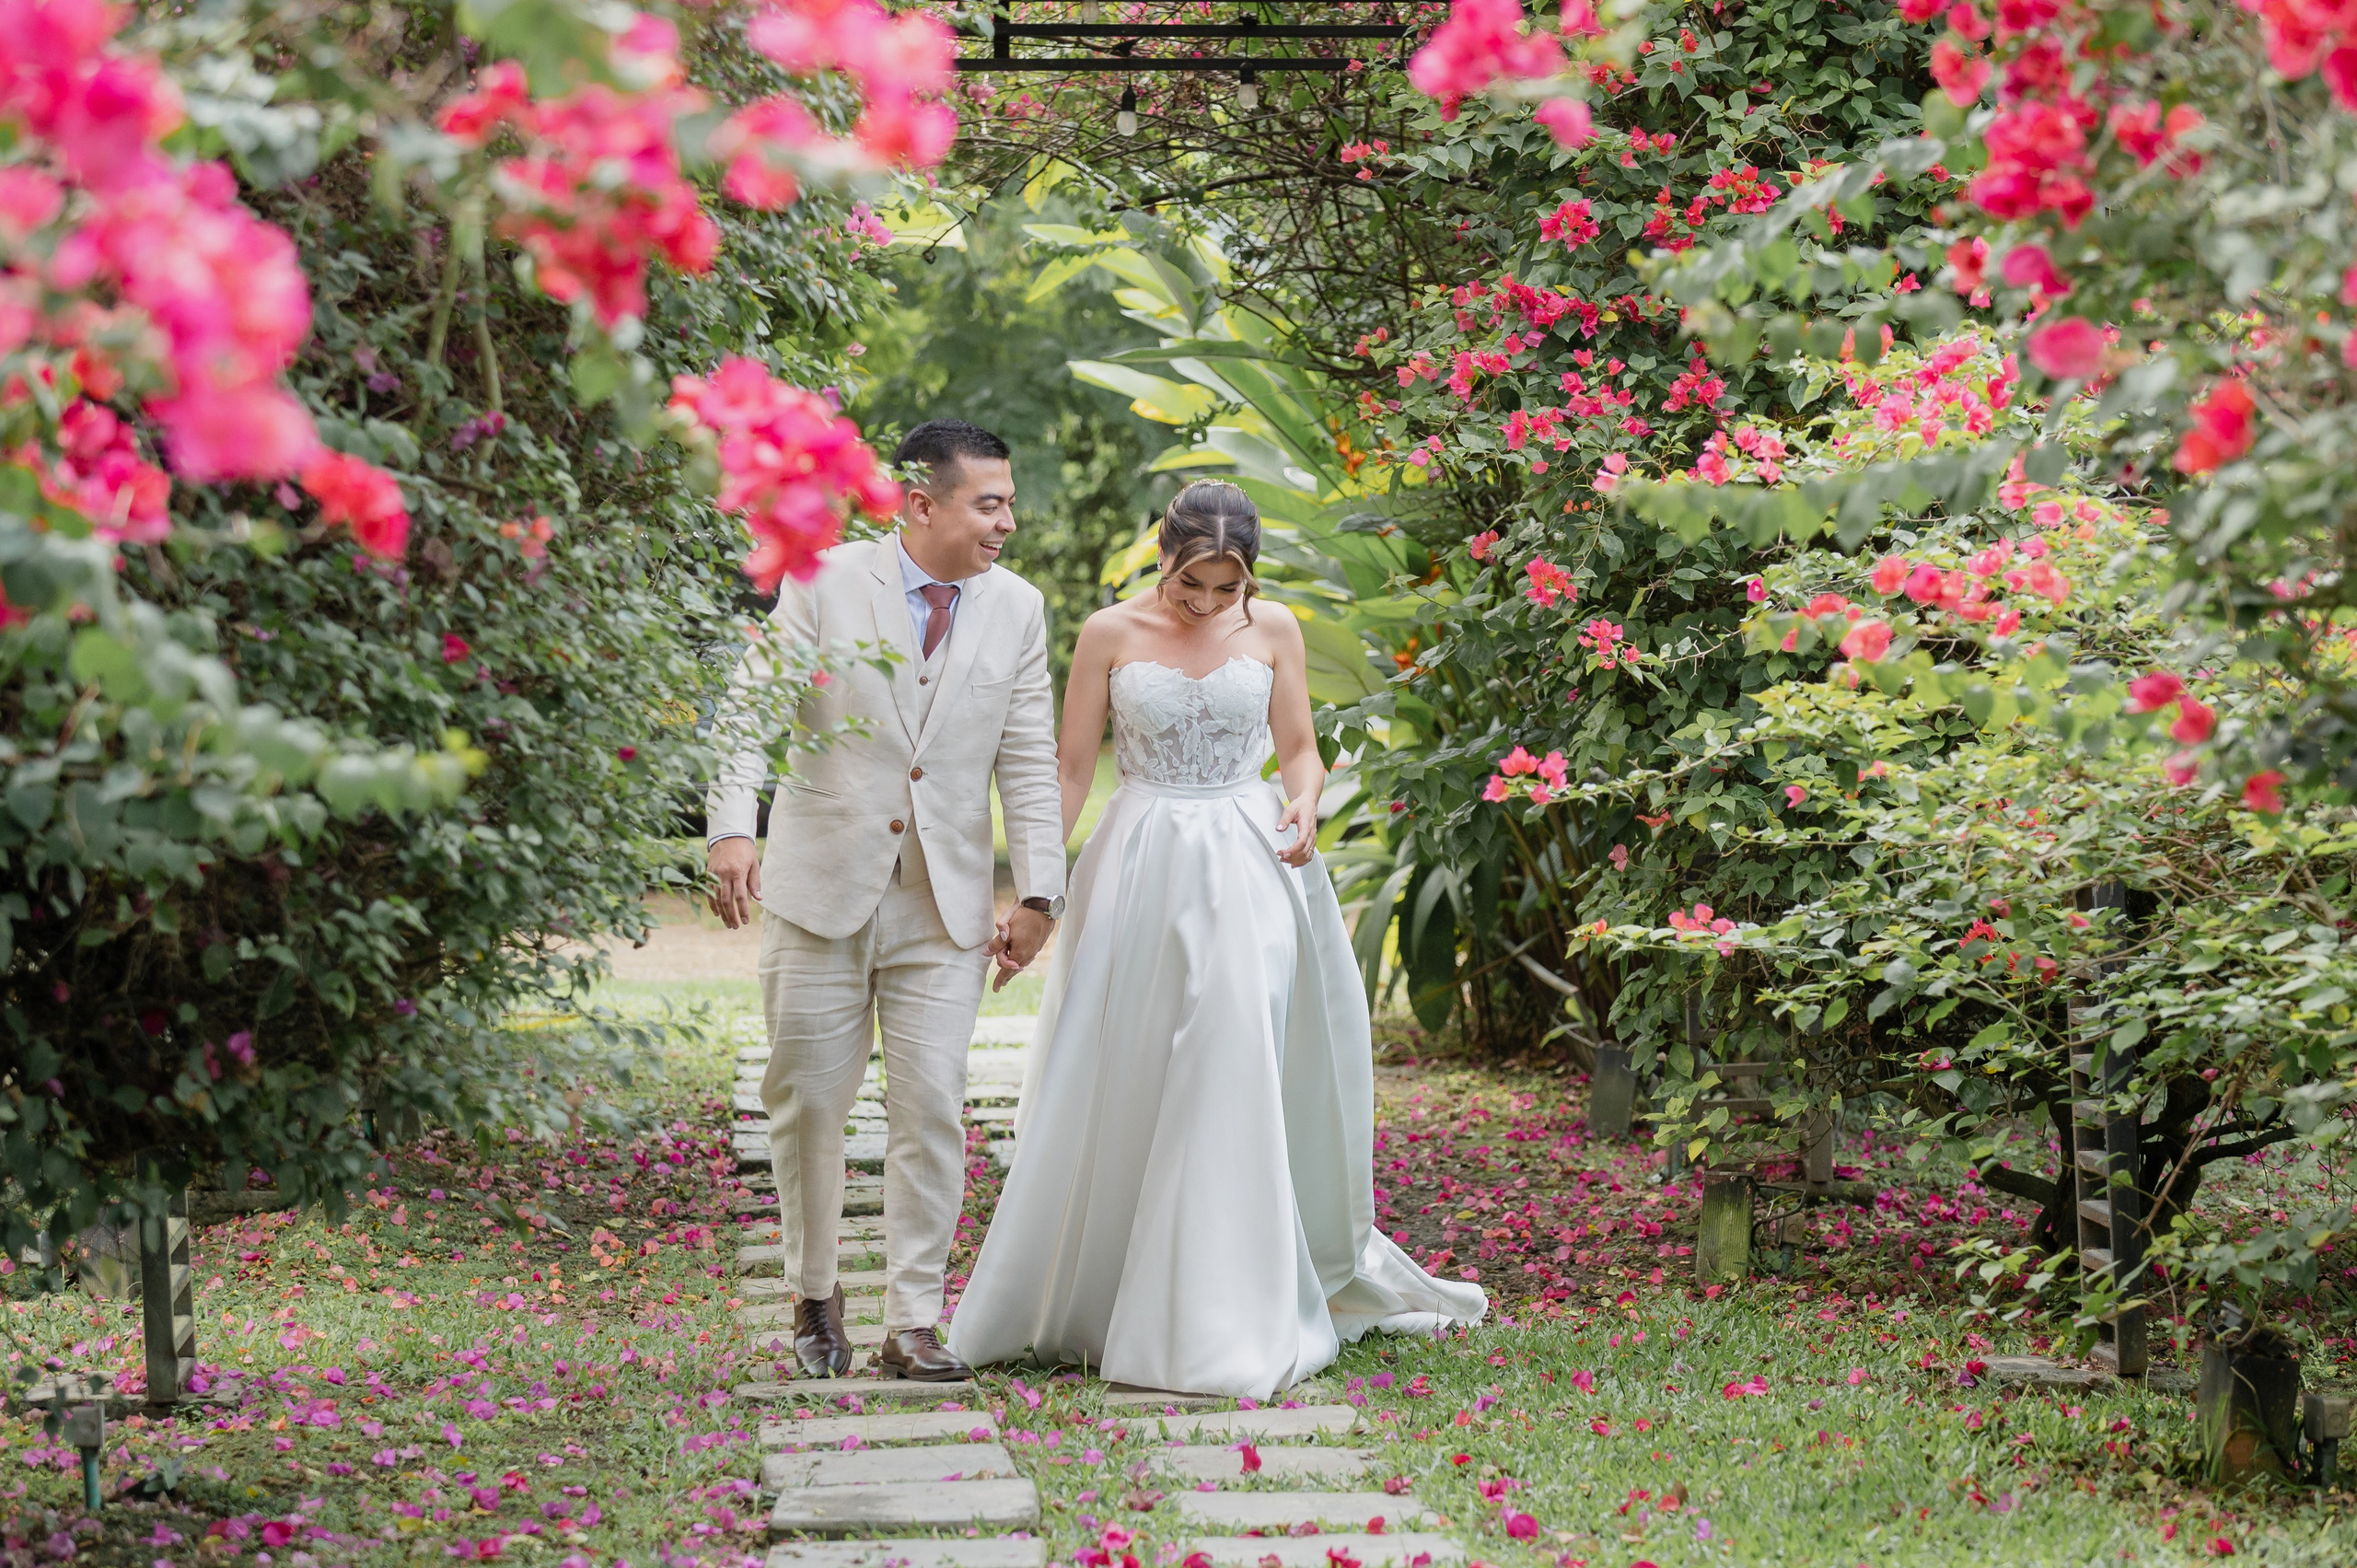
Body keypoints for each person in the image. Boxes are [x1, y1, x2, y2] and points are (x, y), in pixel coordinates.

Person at [946, 480, 1486, 1399]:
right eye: (1189, 582)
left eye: (1225, 588)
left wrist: (1304, 801)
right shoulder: (1108, 633)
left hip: (1247, 857)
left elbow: (1300, 748)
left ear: (1250, 578)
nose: (1205, 602)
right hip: (1139, 861)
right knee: (1131, 1064)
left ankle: (1222, 1307)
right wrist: (1038, 890)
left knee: (1230, 1051)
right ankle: (1107, 1294)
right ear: (1163, 555)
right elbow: (1070, 769)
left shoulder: (1273, 628)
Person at [705, 419, 1065, 1383]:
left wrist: (1040, 891)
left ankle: (913, 1319)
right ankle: (814, 1294)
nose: (1008, 522)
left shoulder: (1019, 608)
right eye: (990, 504)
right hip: (820, 890)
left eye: (1010, 503)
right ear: (922, 504)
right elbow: (749, 711)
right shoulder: (824, 581)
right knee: (809, 1103)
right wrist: (732, 827)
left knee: (932, 1106)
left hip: (944, 904)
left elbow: (1028, 757)